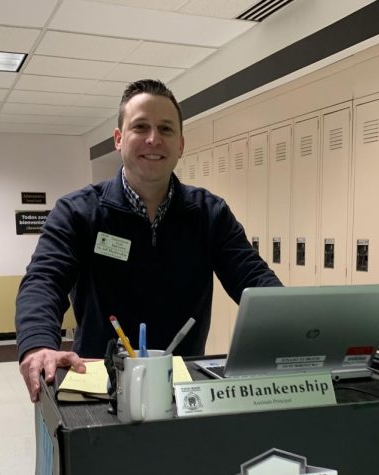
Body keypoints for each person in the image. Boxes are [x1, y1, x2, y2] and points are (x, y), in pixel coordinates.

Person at [16, 79, 281, 401]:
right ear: (119, 139)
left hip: (182, 384)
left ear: (180, 144)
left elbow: (252, 278)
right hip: (100, 382)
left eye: (166, 129)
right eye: (140, 127)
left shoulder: (209, 213)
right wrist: (39, 343)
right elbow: (45, 280)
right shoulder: (78, 211)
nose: (153, 139)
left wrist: (296, 329)